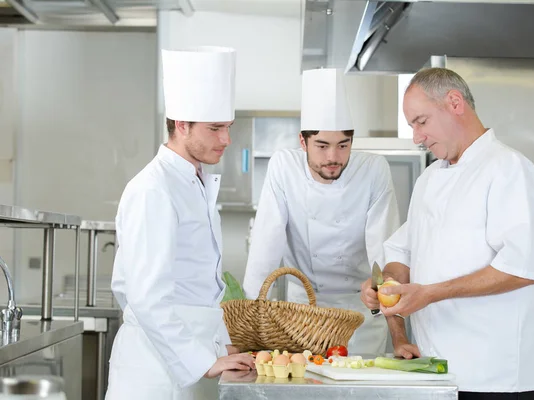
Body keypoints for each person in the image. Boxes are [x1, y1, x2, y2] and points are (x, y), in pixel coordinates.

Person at [361, 67, 534, 400]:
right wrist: (386, 285)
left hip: (494, 378)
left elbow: (520, 268)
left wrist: (430, 293)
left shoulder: (508, 168)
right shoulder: (430, 179)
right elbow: (402, 253)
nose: (417, 137)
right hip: (435, 371)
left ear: (455, 102)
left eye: (421, 121)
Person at [105, 46, 254, 400]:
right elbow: (145, 296)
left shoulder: (196, 182)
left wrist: (221, 347)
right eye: (216, 128)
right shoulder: (153, 189)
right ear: (182, 125)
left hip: (193, 358)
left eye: (228, 128)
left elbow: (201, 287)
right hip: (154, 373)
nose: (227, 140)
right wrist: (203, 361)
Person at [243, 68, 401, 355]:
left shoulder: (373, 170)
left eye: (343, 145)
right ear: (302, 142)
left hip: (360, 313)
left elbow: (386, 252)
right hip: (302, 314)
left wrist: (398, 331)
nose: (333, 157)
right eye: (322, 145)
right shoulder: (284, 167)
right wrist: (248, 336)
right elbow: (265, 248)